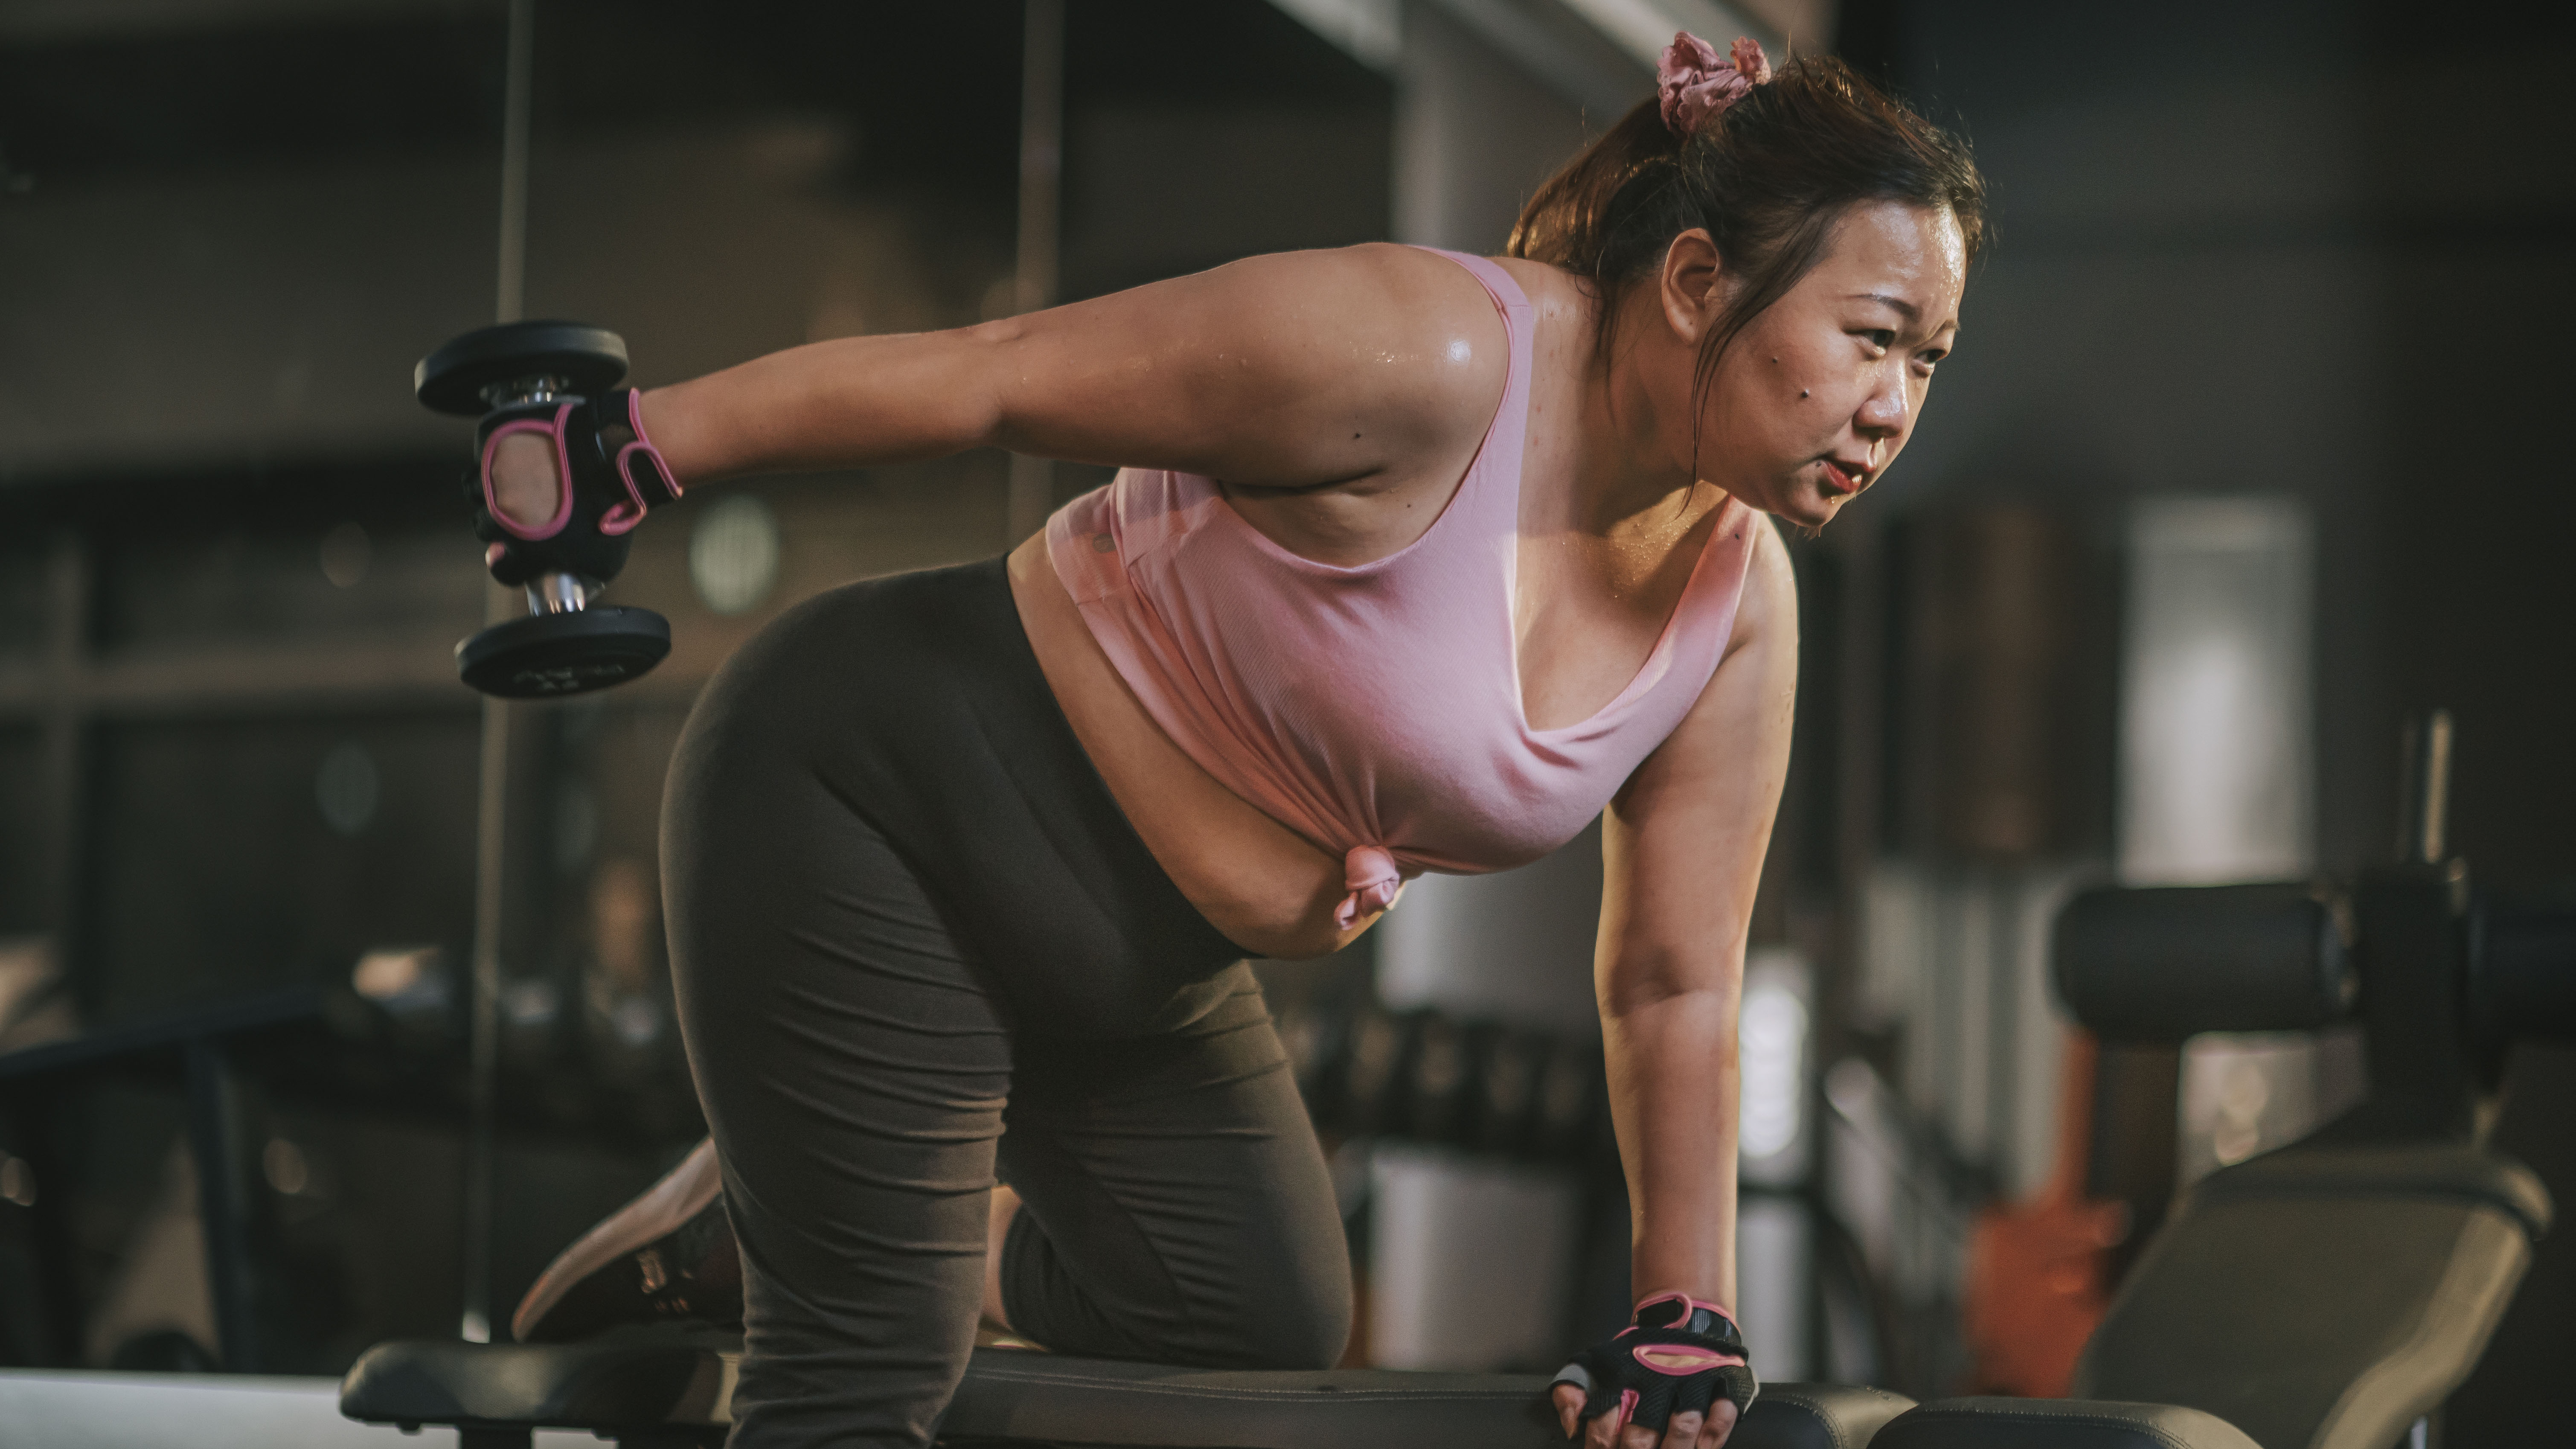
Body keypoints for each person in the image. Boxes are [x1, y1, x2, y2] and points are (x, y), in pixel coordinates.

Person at [482, 33, 1981, 1449]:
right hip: (883, 797)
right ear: (1701, 280)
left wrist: (1686, 1311)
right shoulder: (1432, 357)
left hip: (1144, 969)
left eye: (1930, 361)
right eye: (1873, 338)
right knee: (869, 1367)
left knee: (1250, 1313)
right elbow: (993, 371)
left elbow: (1674, 981)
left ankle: (747, 1227)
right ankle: (842, 1243)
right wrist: (627, 446)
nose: (1895, 406)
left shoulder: (1738, 604)